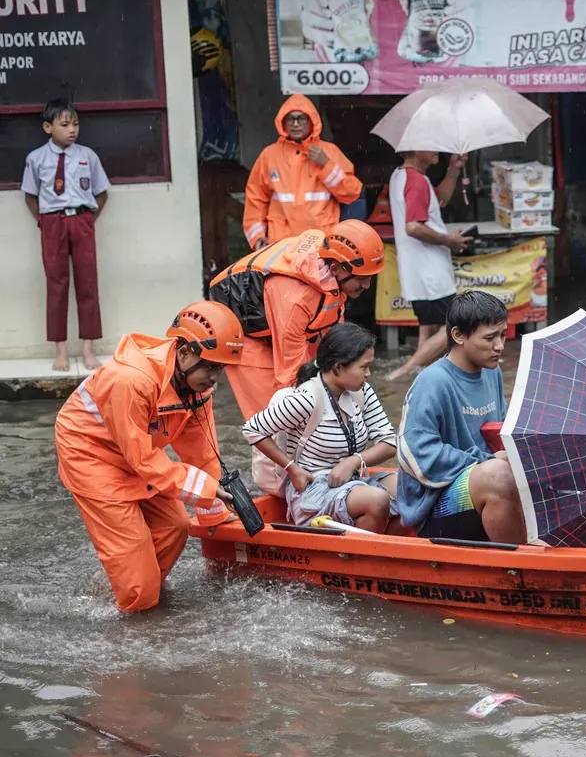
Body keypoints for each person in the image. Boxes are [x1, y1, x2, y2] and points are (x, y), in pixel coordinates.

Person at [54, 301, 244, 612]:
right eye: (210, 367)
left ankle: (129, 584)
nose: (214, 379)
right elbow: (141, 458)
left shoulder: (195, 387)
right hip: (90, 453)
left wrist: (215, 511)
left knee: (175, 526)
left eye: (220, 369)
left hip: (135, 451)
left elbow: (201, 450)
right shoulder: (132, 380)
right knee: (140, 589)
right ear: (184, 353)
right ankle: (134, 599)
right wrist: (207, 491)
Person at [210, 220, 385, 422]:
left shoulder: (332, 270)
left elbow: (336, 348)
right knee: (275, 413)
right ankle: (267, 453)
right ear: (336, 268)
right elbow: (290, 375)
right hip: (244, 335)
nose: (367, 285)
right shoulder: (296, 298)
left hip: (296, 326)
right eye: (362, 278)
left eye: (370, 277)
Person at [242, 323, 401, 534]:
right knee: (377, 499)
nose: (369, 374)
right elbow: (253, 429)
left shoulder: (362, 392)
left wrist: (353, 462)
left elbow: (390, 442)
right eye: (364, 367)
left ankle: (384, 549)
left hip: (354, 479)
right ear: (338, 367)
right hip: (314, 489)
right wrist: (292, 468)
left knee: (412, 488)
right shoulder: (307, 399)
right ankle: (357, 560)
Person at [395, 291, 526, 543]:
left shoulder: (492, 372)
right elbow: (415, 455)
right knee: (498, 474)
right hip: (434, 506)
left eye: (502, 335)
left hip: (484, 481)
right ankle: (519, 567)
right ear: (458, 335)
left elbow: (502, 429)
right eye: (489, 338)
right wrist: (487, 460)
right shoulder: (432, 382)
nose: (499, 346)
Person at [22, 98, 111, 372]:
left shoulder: (88, 155)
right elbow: (30, 195)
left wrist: (87, 220)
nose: (72, 129)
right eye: (64, 124)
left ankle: (88, 349)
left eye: (75, 124)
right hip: (52, 223)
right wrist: (44, 222)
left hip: (82, 220)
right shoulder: (36, 159)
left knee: (88, 282)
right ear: (48, 127)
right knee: (56, 284)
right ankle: (60, 350)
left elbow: (102, 192)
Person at [384, 150, 474, 381]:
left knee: (430, 326)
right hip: (430, 270)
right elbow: (413, 227)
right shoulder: (416, 181)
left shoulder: (401, 176)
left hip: (417, 269)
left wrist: (453, 170)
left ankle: (419, 378)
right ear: (415, 149)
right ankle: (401, 373)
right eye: (431, 145)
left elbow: (439, 199)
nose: (437, 150)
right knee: (456, 325)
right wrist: (449, 240)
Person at [242, 94, 362, 249]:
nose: (295, 124)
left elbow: (352, 193)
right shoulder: (269, 155)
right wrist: (257, 238)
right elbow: (255, 199)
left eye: (301, 118)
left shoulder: (329, 152)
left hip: (319, 244)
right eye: (290, 119)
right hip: (281, 245)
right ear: (283, 123)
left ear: (311, 121)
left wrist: (326, 165)